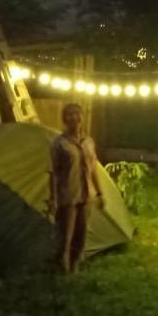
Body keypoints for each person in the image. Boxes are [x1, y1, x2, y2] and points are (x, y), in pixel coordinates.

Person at [50, 103, 102, 274]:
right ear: (65, 119)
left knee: (82, 233)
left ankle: (76, 262)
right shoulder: (59, 143)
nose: (74, 117)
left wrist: (100, 192)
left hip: (88, 194)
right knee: (67, 235)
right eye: (70, 114)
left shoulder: (88, 142)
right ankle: (63, 266)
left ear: (82, 117)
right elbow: (53, 173)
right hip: (69, 194)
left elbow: (93, 168)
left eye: (77, 113)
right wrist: (54, 198)